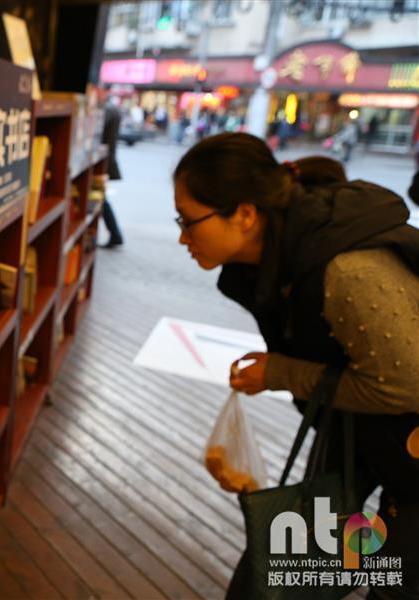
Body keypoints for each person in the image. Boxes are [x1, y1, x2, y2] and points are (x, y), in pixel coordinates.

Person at [172, 133, 419, 599]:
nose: (182, 236)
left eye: (189, 221)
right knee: (284, 573)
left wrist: (279, 373)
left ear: (245, 214)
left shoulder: (349, 271)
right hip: (356, 429)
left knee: (395, 581)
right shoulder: (269, 262)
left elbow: (405, 388)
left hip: (405, 437)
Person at [99, 92, 124, 247]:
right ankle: (115, 235)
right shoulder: (113, 109)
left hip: (103, 161)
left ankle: (116, 235)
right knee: (101, 199)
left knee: (101, 199)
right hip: (107, 160)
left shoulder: (108, 110)